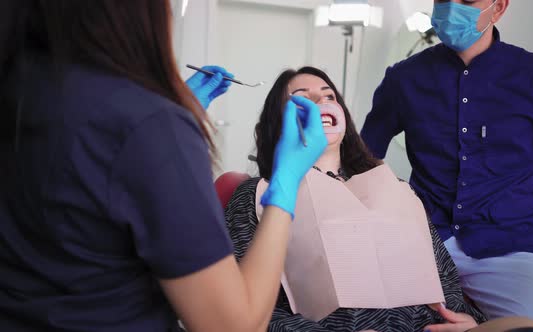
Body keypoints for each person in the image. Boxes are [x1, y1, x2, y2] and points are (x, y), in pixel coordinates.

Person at [0, 1, 327, 331]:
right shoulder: (144, 126)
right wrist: (285, 181)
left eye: (328, 95)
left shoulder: (24, 92)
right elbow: (233, 325)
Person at [225, 66, 533, 332]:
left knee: (526, 325)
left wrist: (468, 322)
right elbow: (239, 305)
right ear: (277, 122)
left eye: (328, 97)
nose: (319, 104)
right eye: (302, 100)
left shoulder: (397, 189)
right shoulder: (260, 192)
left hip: (428, 327)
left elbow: (445, 281)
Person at [360, 0, 533, 330]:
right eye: (443, 1)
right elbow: (365, 159)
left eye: (467, 1)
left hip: (511, 247)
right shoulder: (403, 79)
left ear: (498, 8)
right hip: (423, 242)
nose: (452, 10)